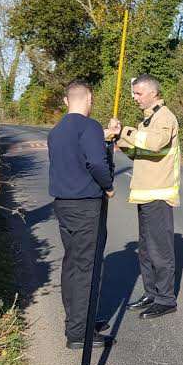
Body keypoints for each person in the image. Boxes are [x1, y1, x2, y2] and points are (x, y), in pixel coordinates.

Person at [47, 79, 116, 349]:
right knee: (87, 268)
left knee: (73, 264)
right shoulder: (90, 126)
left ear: (66, 101)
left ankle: (80, 320)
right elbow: (96, 162)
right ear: (90, 99)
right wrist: (108, 185)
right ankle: (78, 334)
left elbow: (80, 154)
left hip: (63, 204)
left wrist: (107, 136)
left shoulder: (57, 130)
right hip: (86, 206)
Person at [109, 74, 181, 320]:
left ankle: (165, 299)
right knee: (146, 249)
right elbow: (139, 153)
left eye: (138, 93)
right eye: (133, 93)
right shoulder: (147, 120)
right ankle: (152, 293)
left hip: (158, 194)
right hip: (144, 193)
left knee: (159, 249)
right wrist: (120, 138)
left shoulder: (164, 118)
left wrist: (125, 131)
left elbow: (156, 144)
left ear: (153, 92)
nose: (134, 98)